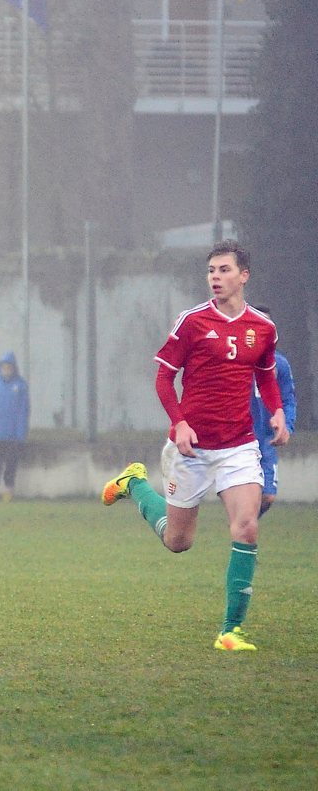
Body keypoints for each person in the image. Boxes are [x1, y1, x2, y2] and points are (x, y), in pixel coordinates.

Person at [102, 241, 288, 652]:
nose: (215, 277)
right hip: (191, 449)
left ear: (244, 275)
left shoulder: (263, 327)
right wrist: (180, 423)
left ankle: (230, 631)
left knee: (247, 526)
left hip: (239, 446)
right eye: (211, 271)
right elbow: (163, 379)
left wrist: (275, 412)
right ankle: (135, 484)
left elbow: (266, 375)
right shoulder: (192, 322)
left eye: (224, 270)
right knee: (178, 542)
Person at [248, 308, 296, 516]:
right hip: (241, 441)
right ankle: (242, 530)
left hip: (266, 442)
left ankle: (242, 527)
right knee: (245, 496)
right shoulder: (238, 360)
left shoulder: (280, 364)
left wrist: (287, 427)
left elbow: (288, 399)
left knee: (268, 497)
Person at [0, 351, 29, 502]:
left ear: (14, 369)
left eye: (9, 368)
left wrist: (21, 431)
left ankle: (8, 490)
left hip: (13, 434)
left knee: (11, 463)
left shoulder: (20, 386)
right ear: (0, 368)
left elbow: (24, 410)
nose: (6, 370)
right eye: (4, 367)